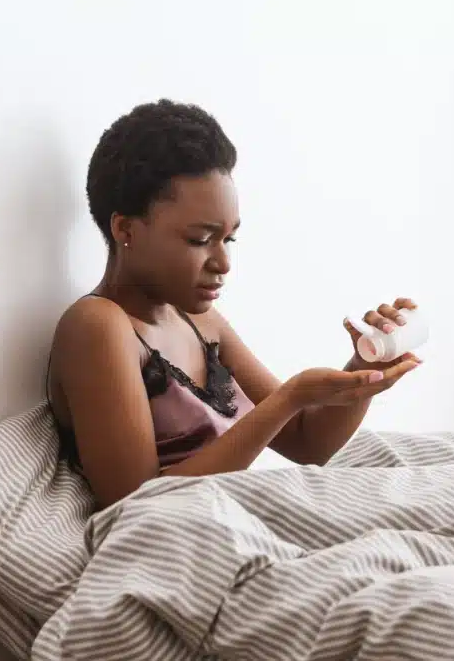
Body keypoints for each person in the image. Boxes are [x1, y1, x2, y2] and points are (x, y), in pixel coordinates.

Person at [48, 99, 422, 508]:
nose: (223, 262)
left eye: (229, 239)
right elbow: (134, 504)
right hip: (180, 544)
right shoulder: (98, 325)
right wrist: (289, 397)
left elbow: (306, 442)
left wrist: (362, 373)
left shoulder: (201, 321)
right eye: (199, 239)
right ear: (125, 229)